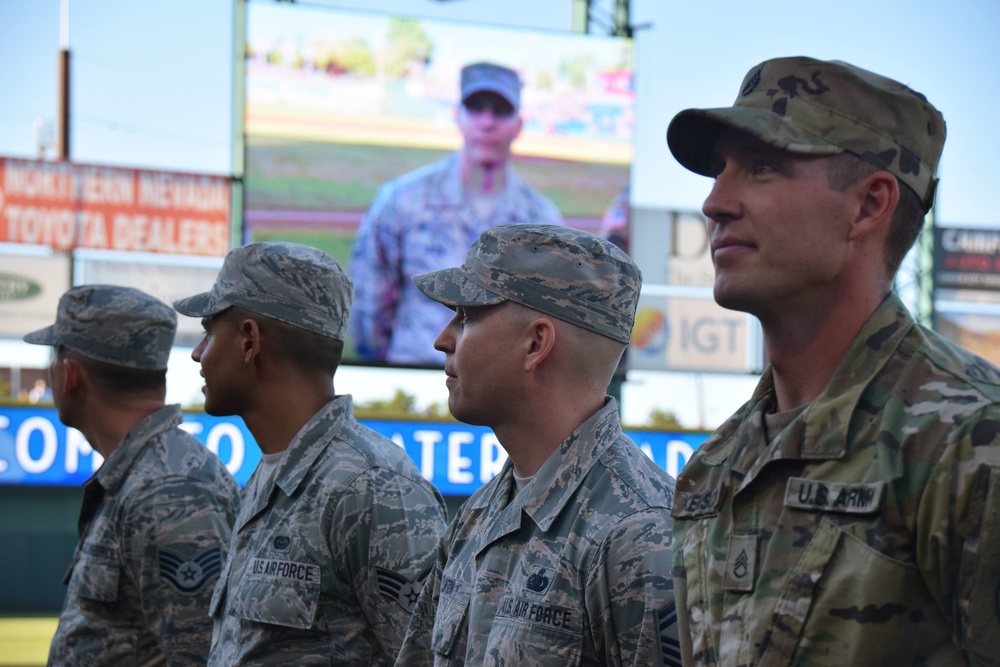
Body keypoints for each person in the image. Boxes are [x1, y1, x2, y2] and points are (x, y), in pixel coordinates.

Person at [665, 56, 1000, 665]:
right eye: (719, 171)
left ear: (870, 205)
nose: (715, 203)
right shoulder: (714, 468)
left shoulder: (969, 439)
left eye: (762, 168)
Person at [396, 224, 680, 666]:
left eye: (467, 315)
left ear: (536, 343)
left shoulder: (642, 532)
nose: (442, 339)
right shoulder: (477, 516)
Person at [172, 241, 448, 666]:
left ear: (249, 341)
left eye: (210, 331)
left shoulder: (373, 485)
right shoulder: (269, 479)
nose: (198, 352)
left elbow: (428, 658)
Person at [22, 284, 240, 666]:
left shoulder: (170, 489)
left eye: (55, 355)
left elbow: (205, 657)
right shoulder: (146, 473)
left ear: (70, 373)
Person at [349, 61, 564, 366]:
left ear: (518, 125)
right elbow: (369, 313)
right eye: (476, 108)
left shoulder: (542, 221)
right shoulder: (403, 200)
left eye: (500, 111)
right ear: (457, 116)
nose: (487, 122)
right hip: (413, 379)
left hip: (499, 399)